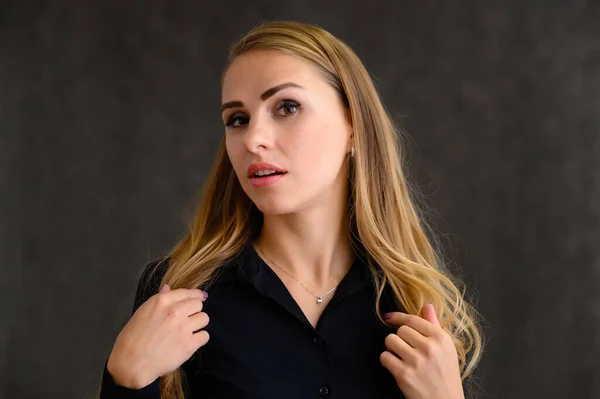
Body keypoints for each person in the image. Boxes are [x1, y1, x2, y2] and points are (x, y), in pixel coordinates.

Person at [98, 20, 483, 399]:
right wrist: (127, 378)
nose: (253, 139)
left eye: (286, 107)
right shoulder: (181, 293)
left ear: (353, 125)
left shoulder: (414, 304)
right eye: (237, 119)